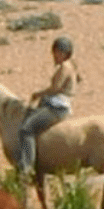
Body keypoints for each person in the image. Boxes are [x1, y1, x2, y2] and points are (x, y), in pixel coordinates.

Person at [17, 35, 80, 180]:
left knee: (26, 129)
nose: (54, 55)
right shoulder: (70, 66)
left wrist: (38, 94)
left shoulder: (65, 67)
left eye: (56, 52)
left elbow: (56, 88)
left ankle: (27, 167)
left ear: (63, 53)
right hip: (56, 104)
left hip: (57, 108)